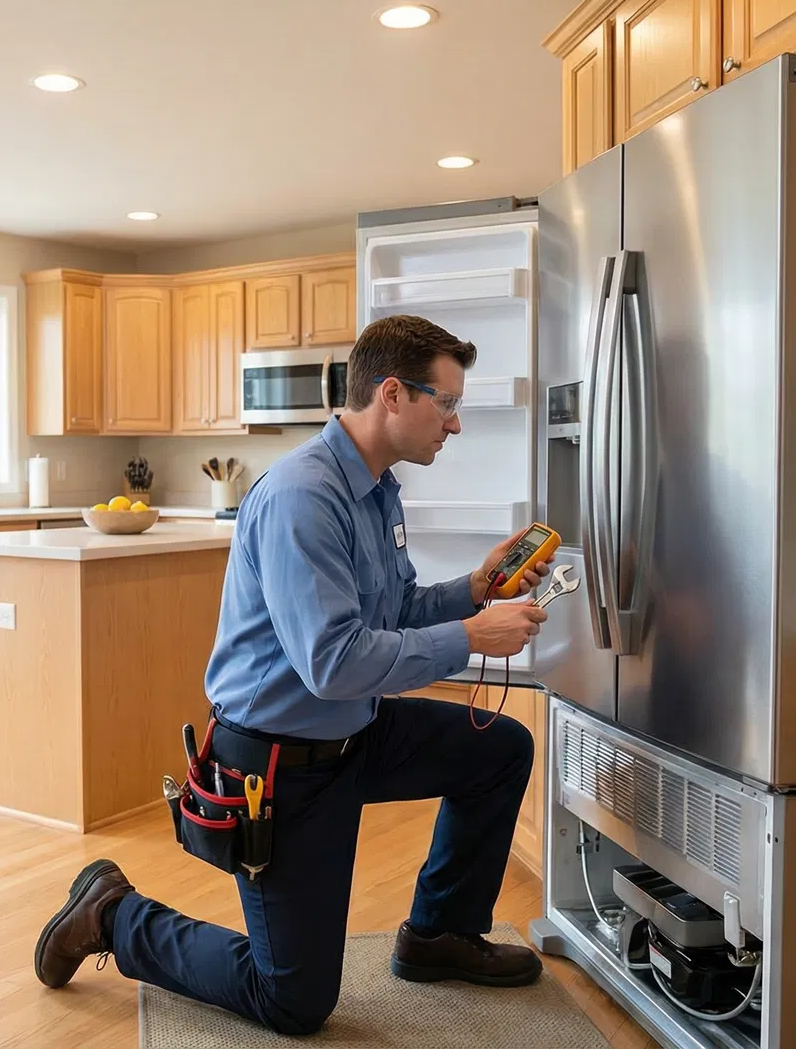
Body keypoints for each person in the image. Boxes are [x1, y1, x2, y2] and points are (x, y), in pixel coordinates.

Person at [31, 314, 552, 1036]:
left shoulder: (377, 489)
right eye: (449, 404)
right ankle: (114, 914)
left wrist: (473, 588)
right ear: (394, 396)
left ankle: (439, 935)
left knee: (499, 749)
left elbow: (393, 609)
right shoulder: (304, 496)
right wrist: (469, 636)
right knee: (294, 1001)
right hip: (280, 762)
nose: (455, 425)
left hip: (355, 729)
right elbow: (334, 662)